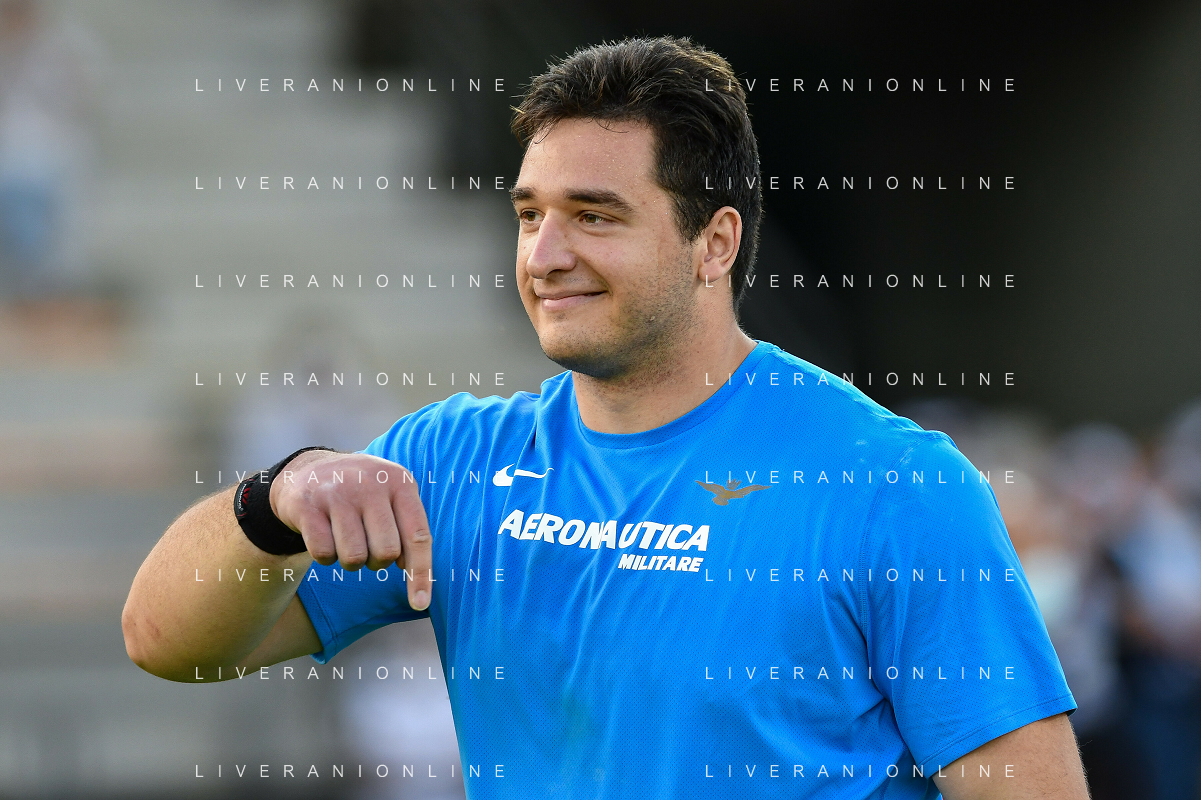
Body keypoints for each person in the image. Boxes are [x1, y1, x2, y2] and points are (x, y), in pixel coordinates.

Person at [123, 36, 1089, 799]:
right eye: (528, 214)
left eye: (594, 215)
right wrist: (273, 500)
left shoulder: (890, 485)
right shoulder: (454, 461)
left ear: (714, 243)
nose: (543, 255)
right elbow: (166, 642)